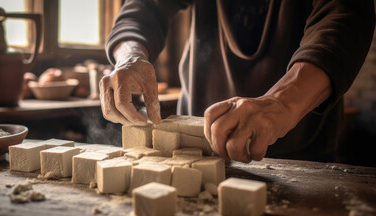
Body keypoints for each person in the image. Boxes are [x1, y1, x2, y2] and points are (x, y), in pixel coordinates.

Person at [100, 0, 375, 163]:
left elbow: (344, 19)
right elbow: (142, 9)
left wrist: (281, 103)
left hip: (303, 147)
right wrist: (129, 57)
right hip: (196, 145)